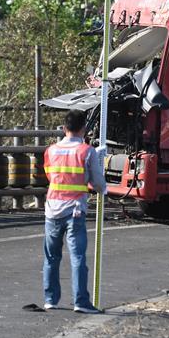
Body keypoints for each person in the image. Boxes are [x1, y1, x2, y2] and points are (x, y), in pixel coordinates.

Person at [42, 109, 105, 314]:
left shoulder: (51, 151)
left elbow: (50, 175)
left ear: (64, 128)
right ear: (84, 129)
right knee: (77, 258)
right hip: (75, 210)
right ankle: (81, 302)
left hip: (52, 209)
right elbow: (98, 184)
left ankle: (50, 299)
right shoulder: (87, 151)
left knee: (51, 257)